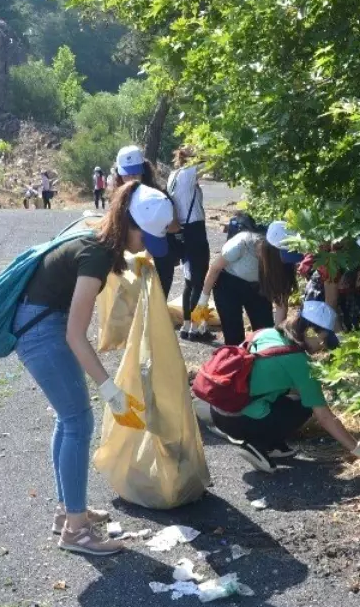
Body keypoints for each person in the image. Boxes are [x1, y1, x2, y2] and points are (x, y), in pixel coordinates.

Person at [15, 181, 175, 556]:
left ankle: (67, 512)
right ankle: (75, 531)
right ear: (128, 223)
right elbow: (75, 334)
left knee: (67, 419)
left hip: (41, 324)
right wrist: (109, 389)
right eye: (145, 236)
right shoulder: (97, 256)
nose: (146, 245)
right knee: (78, 422)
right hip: (40, 332)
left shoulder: (97, 239)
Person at [208, 301, 360, 472]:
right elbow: (324, 417)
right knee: (305, 405)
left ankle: (273, 444)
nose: (322, 347)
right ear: (309, 332)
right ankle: (258, 445)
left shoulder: (268, 332)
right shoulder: (300, 363)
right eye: (323, 340)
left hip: (219, 409)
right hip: (237, 420)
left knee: (295, 395)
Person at [197, 221, 298, 346]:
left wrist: (276, 340)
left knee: (264, 330)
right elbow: (215, 269)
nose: (285, 261)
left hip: (258, 288)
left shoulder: (282, 266)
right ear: (270, 249)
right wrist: (202, 302)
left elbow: (281, 303)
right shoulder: (242, 244)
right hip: (228, 286)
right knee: (233, 335)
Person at [116, 145, 179, 295]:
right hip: (129, 257)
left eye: (135, 173)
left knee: (158, 298)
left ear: (144, 169)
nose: (131, 178)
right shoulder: (118, 196)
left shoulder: (158, 197)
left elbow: (175, 226)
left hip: (160, 254)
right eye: (126, 174)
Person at [167, 147, 213, 342]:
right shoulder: (189, 172)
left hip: (181, 229)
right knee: (199, 281)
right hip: (195, 228)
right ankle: (196, 329)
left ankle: (187, 325)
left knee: (189, 280)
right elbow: (212, 161)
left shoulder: (173, 175)